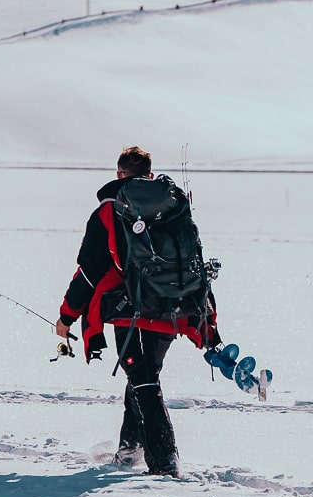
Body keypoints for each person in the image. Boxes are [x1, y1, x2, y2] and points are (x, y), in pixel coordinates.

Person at [55, 146, 218, 476]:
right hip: (176, 305)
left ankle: (164, 461)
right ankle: (129, 451)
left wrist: (67, 315)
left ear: (119, 174)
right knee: (144, 376)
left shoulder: (109, 210)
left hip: (132, 309)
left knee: (142, 380)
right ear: (150, 174)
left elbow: (89, 271)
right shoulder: (173, 203)